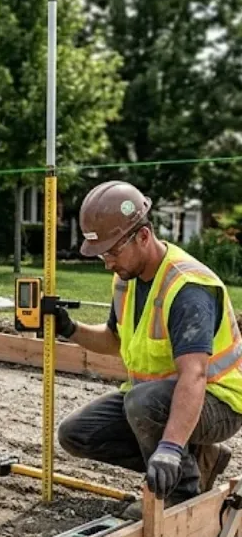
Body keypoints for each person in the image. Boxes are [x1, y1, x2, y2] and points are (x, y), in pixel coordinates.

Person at [54, 180, 242, 517]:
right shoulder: (126, 280)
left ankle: (179, 493)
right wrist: (69, 328)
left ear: (143, 236)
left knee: (143, 403)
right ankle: (200, 458)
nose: (107, 262)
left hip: (217, 403)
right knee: (76, 435)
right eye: (102, 254)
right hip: (156, 402)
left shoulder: (188, 288)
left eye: (112, 251)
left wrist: (169, 448)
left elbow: (195, 375)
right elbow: (114, 340)